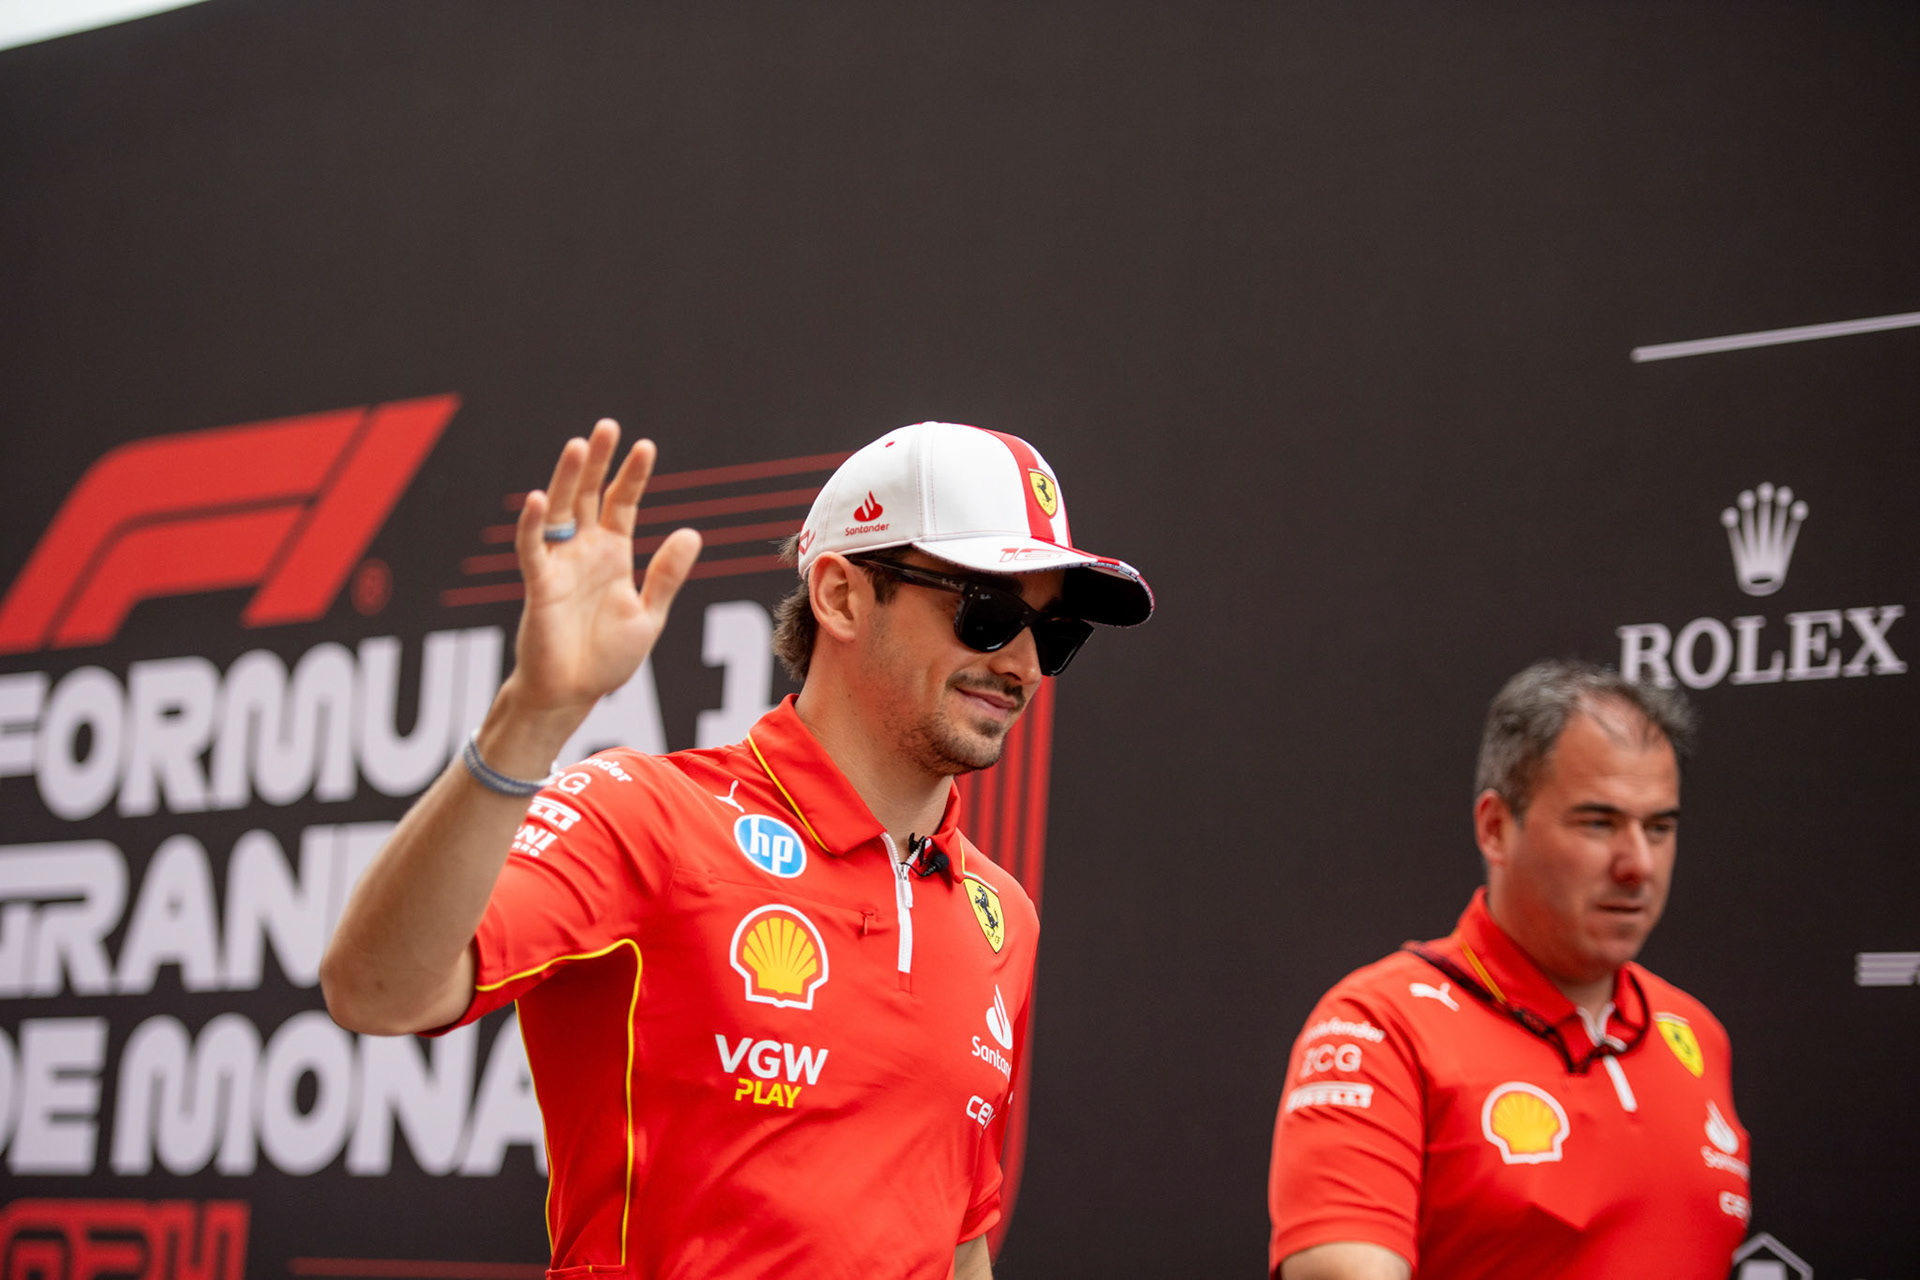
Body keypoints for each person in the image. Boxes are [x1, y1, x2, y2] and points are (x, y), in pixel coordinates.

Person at [320, 419, 1151, 1279]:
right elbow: (374, 991)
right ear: (839, 597)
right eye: (988, 614)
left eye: (1053, 636)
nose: (1022, 664)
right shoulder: (647, 815)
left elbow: (958, 1246)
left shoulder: (1001, 916)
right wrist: (531, 715)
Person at [1267, 660, 1751, 1280]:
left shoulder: (1698, 1033)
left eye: (1659, 828)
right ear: (1495, 828)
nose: (1638, 865)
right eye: (1598, 822)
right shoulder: (1377, 1027)